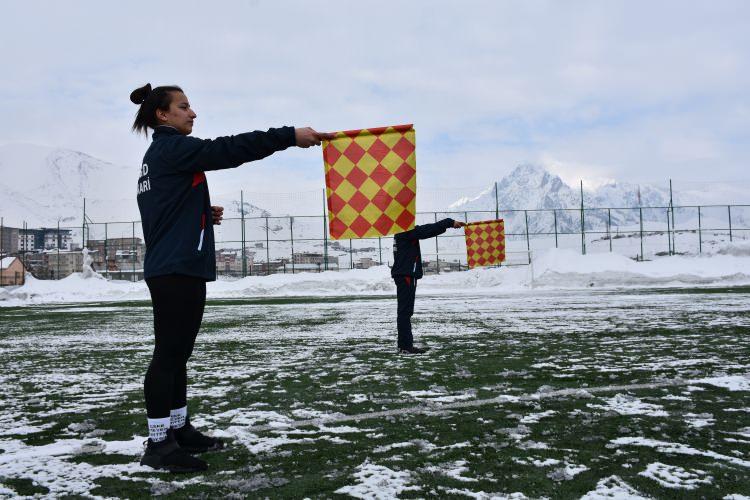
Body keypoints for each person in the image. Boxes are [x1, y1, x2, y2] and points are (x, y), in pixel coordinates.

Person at [130, 83, 332, 473]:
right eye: (184, 107)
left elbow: (162, 209)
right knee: (169, 355)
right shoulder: (173, 147)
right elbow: (229, 149)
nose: (193, 113)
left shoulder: (159, 154)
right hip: (176, 269)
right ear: (163, 115)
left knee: (178, 354)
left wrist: (202, 209)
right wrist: (289, 137)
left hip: (174, 265)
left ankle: (178, 428)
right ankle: (158, 445)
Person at [391, 218, 465, 354]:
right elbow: (427, 230)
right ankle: (405, 346)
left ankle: (404, 345)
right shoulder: (405, 231)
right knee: (405, 312)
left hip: (404, 274)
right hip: (406, 275)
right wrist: (449, 222)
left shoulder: (402, 230)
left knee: (404, 312)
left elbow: (424, 230)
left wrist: (449, 224)